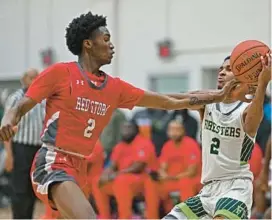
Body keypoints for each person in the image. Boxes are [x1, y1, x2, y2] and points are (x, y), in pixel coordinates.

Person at [0, 12, 247, 219]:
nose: (111, 44)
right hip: (53, 160)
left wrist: (220, 95)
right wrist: (9, 119)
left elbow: (172, 100)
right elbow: (22, 103)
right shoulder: (60, 73)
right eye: (105, 39)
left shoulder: (115, 88)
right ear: (88, 43)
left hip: (81, 167)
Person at [163, 54, 271, 219]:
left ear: (244, 78)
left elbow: (254, 117)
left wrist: (262, 83)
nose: (221, 72)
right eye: (221, 69)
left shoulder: (247, 109)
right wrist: (137, 97)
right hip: (208, 190)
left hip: (235, 188)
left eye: (228, 69)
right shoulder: (207, 102)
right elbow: (170, 100)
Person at [92, 120, 158, 219]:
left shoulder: (143, 142)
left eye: (129, 128)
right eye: (123, 128)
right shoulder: (119, 146)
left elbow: (138, 167)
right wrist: (106, 174)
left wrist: (117, 174)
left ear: (136, 130)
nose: (125, 131)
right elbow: (112, 164)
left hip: (143, 179)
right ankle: (105, 216)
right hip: (123, 179)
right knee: (97, 181)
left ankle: (125, 217)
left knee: (121, 181)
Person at [3, 69, 45, 219]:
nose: (35, 80)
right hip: (20, 148)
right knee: (19, 189)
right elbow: (6, 128)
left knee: (32, 188)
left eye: (37, 77)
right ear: (24, 80)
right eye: (31, 77)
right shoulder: (16, 98)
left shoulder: (42, 99)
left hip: (38, 149)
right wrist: (9, 154)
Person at [159, 119, 201, 212]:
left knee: (185, 183)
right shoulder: (167, 145)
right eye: (171, 129)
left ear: (183, 131)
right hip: (172, 180)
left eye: (177, 129)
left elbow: (191, 172)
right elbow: (162, 167)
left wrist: (172, 177)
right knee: (154, 185)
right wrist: (163, 174)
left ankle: (187, 214)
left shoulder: (191, 144)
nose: (174, 133)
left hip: (189, 179)